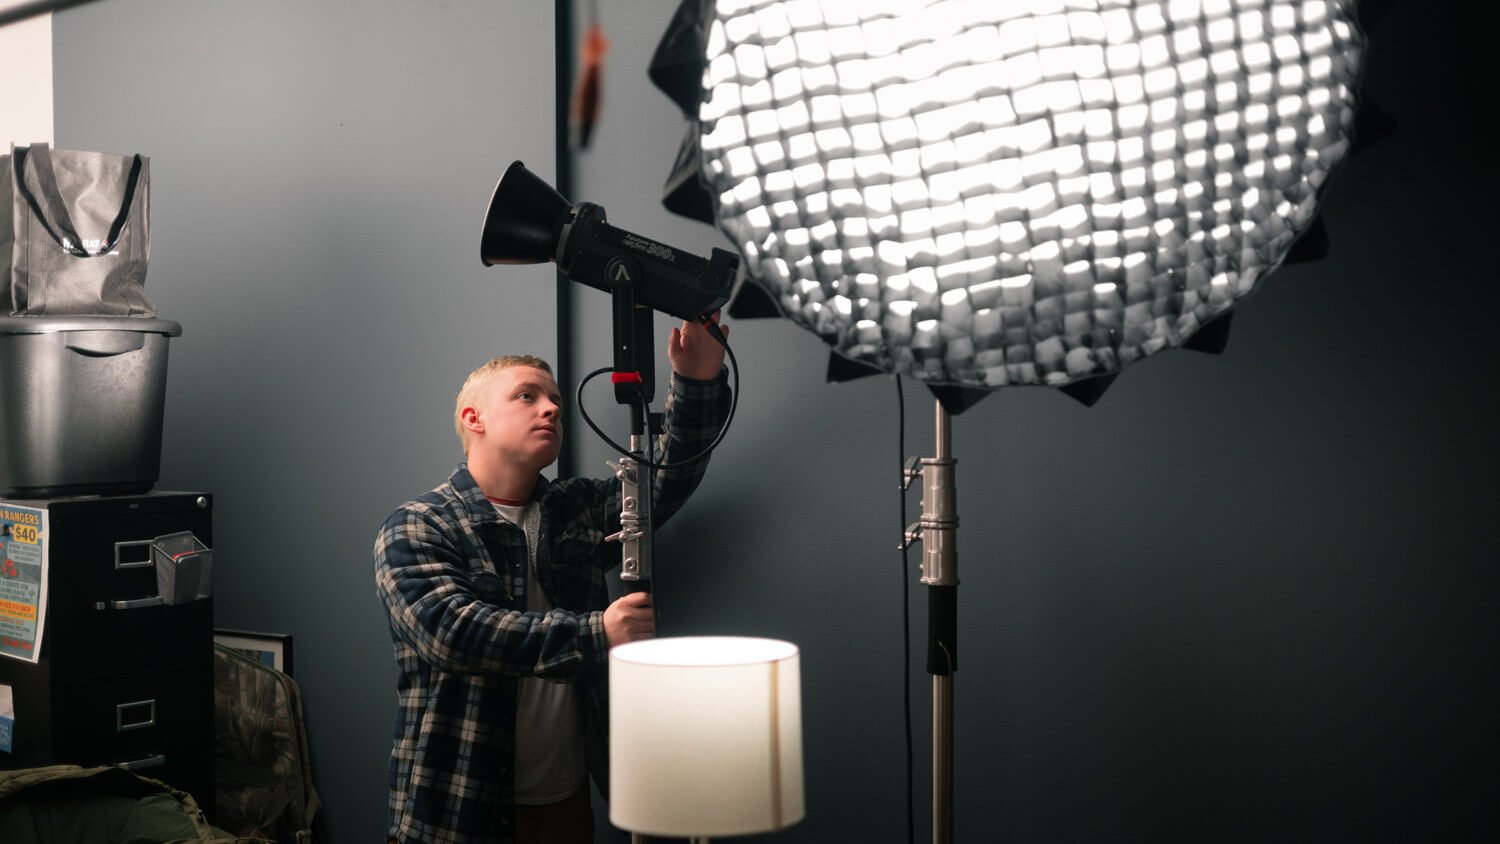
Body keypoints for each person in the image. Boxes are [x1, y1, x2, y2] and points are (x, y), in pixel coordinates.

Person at [373, 315, 730, 844]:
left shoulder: (575, 508)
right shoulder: (419, 524)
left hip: (566, 805)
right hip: (457, 811)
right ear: (475, 417)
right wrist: (598, 632)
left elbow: (667, 477)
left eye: (556, 401)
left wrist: (697, 380)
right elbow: (451, 632)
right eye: (526, 396)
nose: (552, 408)